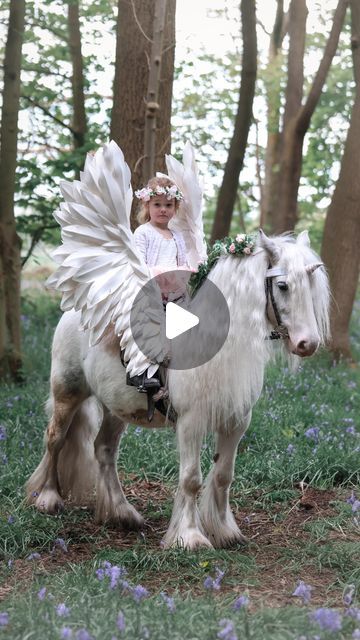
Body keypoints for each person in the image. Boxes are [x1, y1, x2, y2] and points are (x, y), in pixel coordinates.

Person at [127, 176, 189, 393]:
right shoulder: (143, 233)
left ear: (175, 207)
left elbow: (182, 263)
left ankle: (185, 374)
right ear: (147, 206)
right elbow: (138, 265)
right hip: (148, 290)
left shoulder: (177, 236)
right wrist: (159, 276)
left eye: (168, 205)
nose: (163, 209)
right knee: (151, 327)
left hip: (174, 293)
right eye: (157, 205)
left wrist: (186, 275)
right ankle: (144, 373)